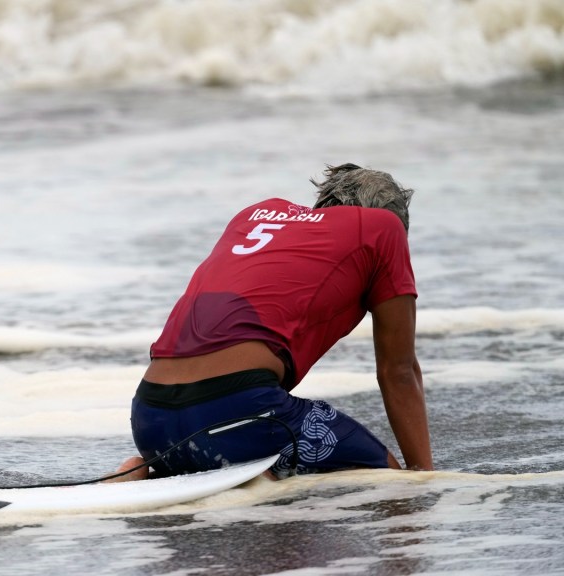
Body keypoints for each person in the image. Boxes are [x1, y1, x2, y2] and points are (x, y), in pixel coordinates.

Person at [115, 163, 433, 481]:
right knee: (387, 480)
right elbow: (399, 372)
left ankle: (146, 471)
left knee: (254, 451)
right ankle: (253, 474)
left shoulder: (257, 213)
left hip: (151, 422)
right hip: (236, 414)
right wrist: (424, 478)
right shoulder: (383, 228)